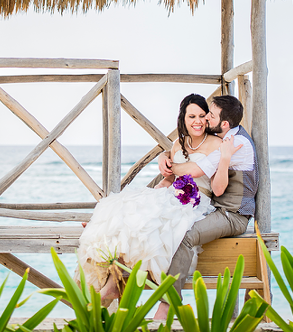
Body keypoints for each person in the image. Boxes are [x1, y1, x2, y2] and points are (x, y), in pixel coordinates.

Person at [76, 94, 221, 305]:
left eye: (201, 115)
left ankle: (120, 283)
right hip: (173, 194)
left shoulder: (216, 143)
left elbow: (198, 172)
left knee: (151, 224)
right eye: (191, 116)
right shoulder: (177, 145)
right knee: (129, 206)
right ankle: (111, 279)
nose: (197, 121)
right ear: (183, 119)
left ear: (207, 117)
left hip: (197, 201)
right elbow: (170, 179)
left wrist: (168, 163)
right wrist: (161, 175)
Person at [152, 94, 257, 320]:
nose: (206, 119)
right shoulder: (227, 136)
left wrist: (170, 166)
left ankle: (169, 302)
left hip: (234, 214)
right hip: (221, 209)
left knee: (186, 234)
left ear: (224, 123)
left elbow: (200, 174)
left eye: (210, 115)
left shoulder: (233, 143)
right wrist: (164, 156)